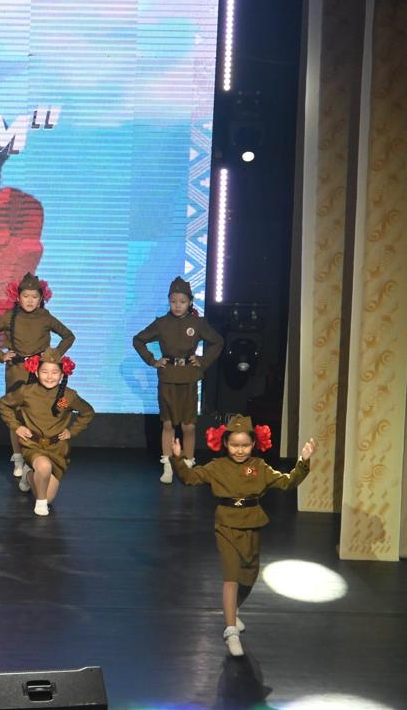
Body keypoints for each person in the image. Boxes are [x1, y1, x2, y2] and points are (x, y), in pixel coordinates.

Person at [171, 415, 313, 657]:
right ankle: (231, 632)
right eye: (234, 445)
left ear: (253, 444)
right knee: (231, 577)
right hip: (226, 524)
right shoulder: (217, 466)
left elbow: (287, 483)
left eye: (245, 445)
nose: (239, 450)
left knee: (249, 575)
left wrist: (303, 462)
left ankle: (232, 610)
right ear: (225, 443)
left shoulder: (259, 467)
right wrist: (178, 458)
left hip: (252, 523)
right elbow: (190, 478)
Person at [0, 272, 75, 479]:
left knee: (37, 413)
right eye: (26, 296)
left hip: (40, 373)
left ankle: (35, 457)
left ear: (41, 298)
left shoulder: (45, 317)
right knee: (16, 414)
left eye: (34, 296)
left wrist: (53, 356)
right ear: (18, 297)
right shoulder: (10, 316)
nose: (30, 300)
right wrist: (1, 355)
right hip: (17, 371)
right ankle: (18, 457)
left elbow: (68, 336)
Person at [133, 276, 224, 483]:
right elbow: (138, 340)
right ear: (169, 301)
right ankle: (168, 466)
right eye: (173, 301)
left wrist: (202, 360)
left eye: (182, 301)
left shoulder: (197, 323)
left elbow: (217, 341)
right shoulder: (162, 323)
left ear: (190, 302)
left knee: (188, 425)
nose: (177, 305)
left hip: (189, 377)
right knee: (168, 424)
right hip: (167, 377)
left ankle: (188, 466)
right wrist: (153, 361)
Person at [0, 352, 93, 516]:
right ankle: (40, 504)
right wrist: (16, 427)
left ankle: (28, 474)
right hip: (33, 445)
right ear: (36, 372)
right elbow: (4, 404)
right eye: (45, 372)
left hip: (57, 449)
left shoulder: (69, 395)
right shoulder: (26, 391)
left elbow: (88, 412)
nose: (49, 377)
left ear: (62, 374)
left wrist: (72, 431)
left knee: (49, 497)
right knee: (43, 468)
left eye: (54, 372)